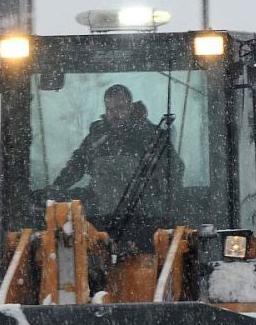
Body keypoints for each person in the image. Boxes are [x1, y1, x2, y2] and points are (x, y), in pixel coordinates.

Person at [48, 85, 178, 237]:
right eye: (109, 109)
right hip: (98, 220)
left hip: (143, 218)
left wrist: (159, 174)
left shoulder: (152, 136)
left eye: (119, 108)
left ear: (130, 107)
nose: (114, 113)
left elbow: (175, 169)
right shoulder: (97, 137)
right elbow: (76, 165)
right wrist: (56, 189)